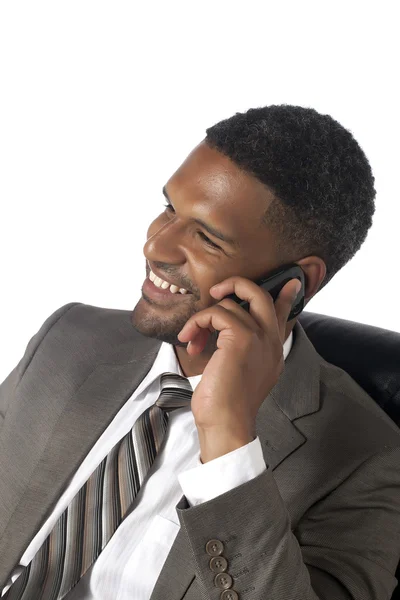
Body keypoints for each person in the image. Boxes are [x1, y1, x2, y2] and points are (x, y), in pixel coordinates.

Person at [0, 104, 399, 600]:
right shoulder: (69, 339)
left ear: (296, 284)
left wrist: (229, 440)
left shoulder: (369, 459)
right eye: (169, 208)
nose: (157, 247)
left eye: (207, 238)